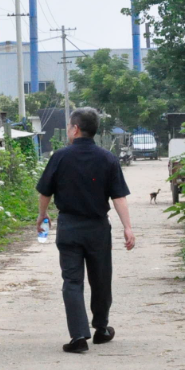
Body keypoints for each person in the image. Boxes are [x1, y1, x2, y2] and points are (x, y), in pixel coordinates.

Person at [36, 107, 136, 353]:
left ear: (76, 128)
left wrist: (42, 216)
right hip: (97, 227)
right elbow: (119, 197)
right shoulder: (107, 158)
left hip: (69, 226)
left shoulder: (60, 156)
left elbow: (45, 191)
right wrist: (128, 227)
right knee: (101, 278)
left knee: (72, 281)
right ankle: (101, 329)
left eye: (70, 126)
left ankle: (79, 337)